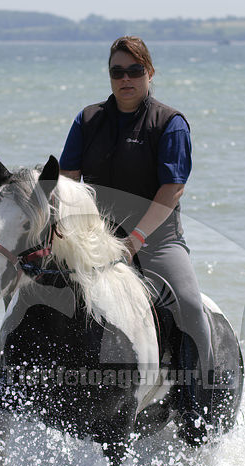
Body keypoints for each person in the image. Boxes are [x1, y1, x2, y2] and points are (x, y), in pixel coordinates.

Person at [59, 35, 214, 443]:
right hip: (97, 238)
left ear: (149, 73)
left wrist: (136, 240)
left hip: (157, 239)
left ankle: (198, 404)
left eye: (134, 70)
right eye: (117, 71)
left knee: (191, 306)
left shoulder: (170, 123)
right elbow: (68, 182)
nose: (125, 79)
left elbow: (173, 189)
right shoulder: (88, 120)